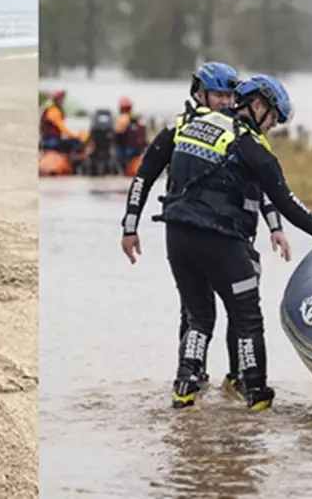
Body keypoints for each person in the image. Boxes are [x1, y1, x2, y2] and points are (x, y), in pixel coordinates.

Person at [150, 74, 312, 410]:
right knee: (247, 318)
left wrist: (131, 224)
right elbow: (284, 199)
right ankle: (255, 396)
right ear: (257, 105)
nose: (272, 128)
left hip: (177, 237)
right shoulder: (251, 145)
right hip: (221, 241)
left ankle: (184, 388)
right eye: (273, 120)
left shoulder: (192, 125)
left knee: (197, 317)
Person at [119, 64, 292, 403]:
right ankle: (194, 376)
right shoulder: (181, 130)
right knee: (198, 311)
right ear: (199, 94)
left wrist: (274, 226)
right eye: (218, 96)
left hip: (234, 236)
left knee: (235, 309)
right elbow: (143, 177)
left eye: (230, 96)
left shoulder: (241, 135)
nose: (225, 102)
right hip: (195, 235)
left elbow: (264, 186)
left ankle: (233, 376)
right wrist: (130, 226)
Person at [39, 89, 87, 153]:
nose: (63, 101)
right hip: (51, 141)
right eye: (61, 99)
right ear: (56, 100)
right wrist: (77, 136)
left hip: (51, 140)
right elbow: (63, 129)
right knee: (76, 143)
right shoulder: (53, 111)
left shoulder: (53, 109)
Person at [113, 97, 149, 169]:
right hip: (138, 151)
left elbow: (115, 134)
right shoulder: (138, 119)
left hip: (125, 151)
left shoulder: (121, 119)